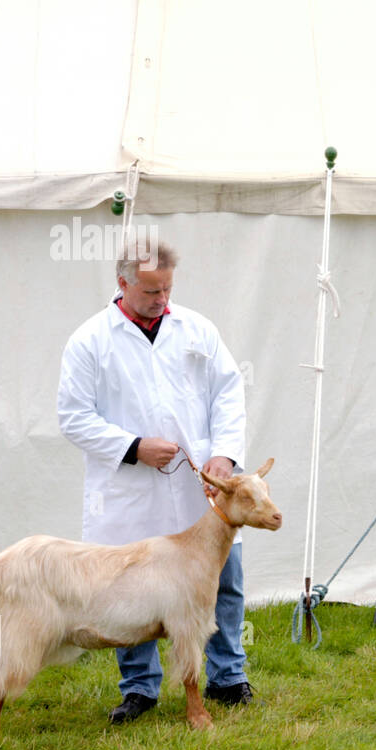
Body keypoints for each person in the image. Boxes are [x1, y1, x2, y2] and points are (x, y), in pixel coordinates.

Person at [57, 235, 252, 723]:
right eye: (150, 292)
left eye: (167, 289)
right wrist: (133, 447)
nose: (162, 300)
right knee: (130, 591)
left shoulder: (197, 329)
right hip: (129, 492)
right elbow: (73, 416)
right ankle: (140, 688)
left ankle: (227, 676)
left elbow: (229, 393)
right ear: (121, 283)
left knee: (222, 581)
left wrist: (225, 456)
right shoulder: (89, 341)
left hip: (201, 488)